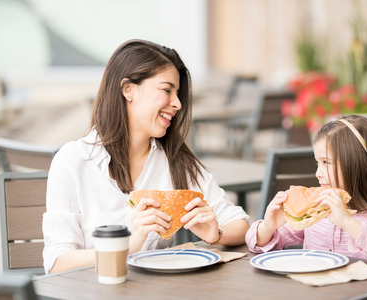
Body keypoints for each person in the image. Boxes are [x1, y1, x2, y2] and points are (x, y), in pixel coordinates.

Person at [43, 39, 250, 274]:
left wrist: (216, 233)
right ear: (128, 89)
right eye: (167, 90)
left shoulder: (174, 160)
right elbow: (57, 263)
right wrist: (126, 246)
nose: (178, 104)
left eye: (178, 93)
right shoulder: (73, 161)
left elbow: (240, 224)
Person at [246, 115, 367, 268]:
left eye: (326, 162)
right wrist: (269, 226)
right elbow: (256, 242)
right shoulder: (317, 212)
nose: (318, 173)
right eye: (318, 162)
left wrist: (348, 222)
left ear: (361, 165)